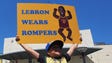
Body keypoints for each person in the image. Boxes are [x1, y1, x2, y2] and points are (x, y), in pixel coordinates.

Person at [16, 36, 81, 63]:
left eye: (59, 47)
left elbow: (72, 48)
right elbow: (30, 50)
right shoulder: (45, 59)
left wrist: (78, 40)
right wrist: (20, 42)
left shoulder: (65, 58)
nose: (57, 49)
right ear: (48, 52)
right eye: (54, 47)